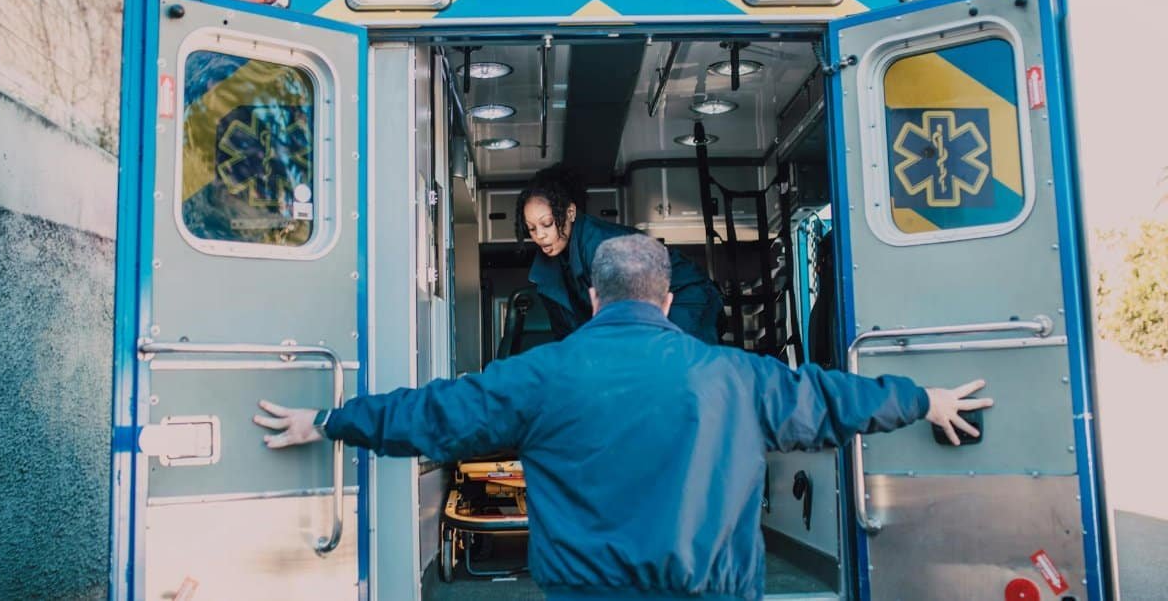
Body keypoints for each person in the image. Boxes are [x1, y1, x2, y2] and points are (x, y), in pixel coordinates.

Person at [255, 234, 992, 601]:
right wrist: (926, 399)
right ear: (667, 300)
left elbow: (435, 414)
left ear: (596, 299)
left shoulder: (542, 375)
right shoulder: (737, 375)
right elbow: (835, 398)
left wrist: (328, 418)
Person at [517, 165, 724, 343]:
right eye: (532, 229)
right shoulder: (548, 272)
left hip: (685, 295)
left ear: (570, 212)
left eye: (547, 224)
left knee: (677, 370)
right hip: (644, 312)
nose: (540, 235)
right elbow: (568, 336)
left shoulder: (602, 246)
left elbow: (626, 320)